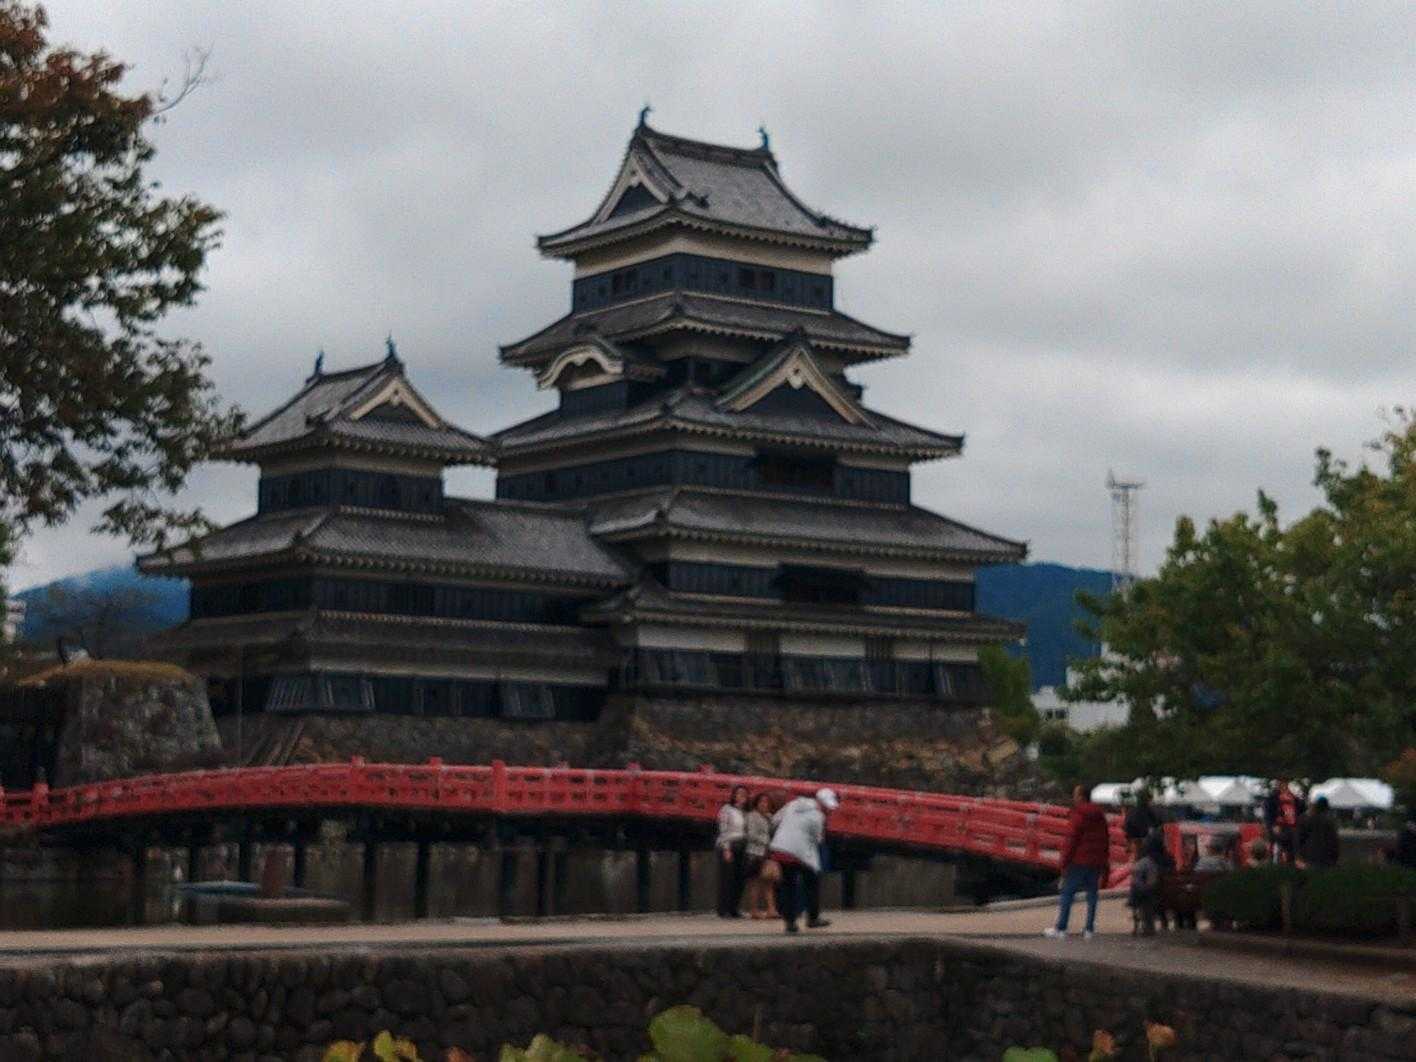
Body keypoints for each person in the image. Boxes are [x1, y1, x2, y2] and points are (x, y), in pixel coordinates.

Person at [1045, 782, 1111, 940]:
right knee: (1092, 894)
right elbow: (1105, 839)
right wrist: (1104, 861)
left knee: (1067, 894)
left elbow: (1071, 840)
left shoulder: (1078, 815)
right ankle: (1089, 929)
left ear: (1081, 797)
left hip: (1079, 860)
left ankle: (1061, 928)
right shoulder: (1100, 816)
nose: (1073, 798)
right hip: (1095, 861)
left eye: (1075, 795)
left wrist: (1063, 862)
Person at [769, 787, 838, 934]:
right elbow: (818, 840)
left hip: (781, 848)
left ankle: (790, 923)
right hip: (799, 852)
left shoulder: (793, 804)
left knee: (788, 886)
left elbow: (774, 820)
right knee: (812, 882)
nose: (828, 810)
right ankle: (812, 918)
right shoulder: (818, 816)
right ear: (821, 803)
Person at [742, 792, 779, 919]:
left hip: (767, 853)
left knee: (769, 881)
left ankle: (771, 909)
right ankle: (754, 910)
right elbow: (751, 835)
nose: (764, 804)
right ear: (756, 804)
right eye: (762, 802)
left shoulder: (770, 817)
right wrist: (767, 841)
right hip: (755, 853)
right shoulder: (752, 816)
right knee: (755, 882)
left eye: (767, 802)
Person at [715, 785, 749, 918]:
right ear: (734, 795)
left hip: (743, 844)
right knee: (727, 878)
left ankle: (734, 908)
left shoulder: (746, 812)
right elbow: (723, 829)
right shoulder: (727, 809)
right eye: (739, 793)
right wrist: (726, 848)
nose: (742, 796)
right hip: (730, 844)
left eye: (744, 794)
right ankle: (723, 909)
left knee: (739, 878)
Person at [1127, 832, 1165, 936]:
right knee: (1147, 895)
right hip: (1162, 893)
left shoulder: (1146, 862)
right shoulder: (1165, 859)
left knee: (1142, 894)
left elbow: (1139, 879)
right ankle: (1149, 926)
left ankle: (1146, 926)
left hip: (1146, 894)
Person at [1263, 779, 1305, 865]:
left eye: (1286, 783)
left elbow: (1301, 810)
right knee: (1278, 848)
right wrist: (1273, 825)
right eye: (1282, 783)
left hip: (1292, 827)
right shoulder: (1272, 798)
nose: (1285, 786)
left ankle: (1291, 862)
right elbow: (1268, 814)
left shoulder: (1294, 798)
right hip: (1279, 827)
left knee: (1292, 848)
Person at [1297, 795, 1340, 868]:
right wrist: (1334, 857)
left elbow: (1300, 838)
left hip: (1309, 856)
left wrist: (1300, 856)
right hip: (1326, 858)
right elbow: (1334, 841)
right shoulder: (1329, 822)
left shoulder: (1307, 820)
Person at [1123, 789, 1163, 858]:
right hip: (1139, 834)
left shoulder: (1133, 809)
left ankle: (1134, 852)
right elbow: (1155, 822)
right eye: (1150, 800)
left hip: (1132, 833)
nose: (1151, 802)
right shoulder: (1146, 809)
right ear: (1147, 799)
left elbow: (1127, 823)